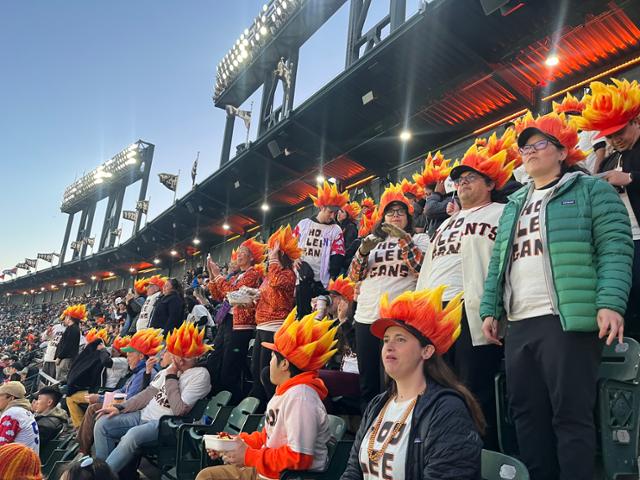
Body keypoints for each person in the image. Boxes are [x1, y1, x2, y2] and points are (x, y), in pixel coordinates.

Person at [480, 110, 633, 480]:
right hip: (518, 322)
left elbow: (615, 245)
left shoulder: (591, 189)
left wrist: (610, 302)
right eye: (525, 147)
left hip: (565, 318)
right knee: (526, 416)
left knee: (570, 415)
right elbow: (500, 260)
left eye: (539, 144)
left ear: (563, 152)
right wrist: (490, 308)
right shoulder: (514, 204)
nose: (529, 152)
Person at [416, 139, 516, 449]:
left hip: (474, 308)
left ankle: (482, 454)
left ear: (490, 183)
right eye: (458, 180)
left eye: (469, 178)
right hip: (437, 313)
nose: (461, 184)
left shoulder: (503, 211)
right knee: (438, 386)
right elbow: (427, 268)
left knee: (475, 389)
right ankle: (445, 450)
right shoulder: (446, 223)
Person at [341, 287, 483, 480]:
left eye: (400, 339)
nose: (389, 346)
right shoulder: (377, 405)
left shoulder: (447, 410)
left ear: (427, 351)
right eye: (386, 340)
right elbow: (353, 471)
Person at [196, 310, 335, 480]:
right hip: (265, 470)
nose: (269, 363)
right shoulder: (286, 392)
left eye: (271, 357)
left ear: (284, 364)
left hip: (282, 476)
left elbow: (299, 458)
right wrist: (230, 442)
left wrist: (248, 456)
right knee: (207, 476)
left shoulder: (301, 398)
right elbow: (267, 437)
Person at [348, 183, 429, 411]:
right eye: (391, 212)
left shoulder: (420, 239)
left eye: (400, 212)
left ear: (408, 217)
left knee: (395, 380)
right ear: (382, 217)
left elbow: (420, 268)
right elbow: (354, 275)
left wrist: (404, 240)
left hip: (398, 320)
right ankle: (368, 431)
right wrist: (363, 252)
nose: (395, 216)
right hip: (366, 317)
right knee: (368, 382)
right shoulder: (373, 242)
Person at [94, 322, 211, 474]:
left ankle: (101, 477)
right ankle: (100, 471)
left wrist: (171, 376)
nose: (163, 354)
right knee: (103, 423)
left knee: (132, 435)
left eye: (169, 351)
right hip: (142, 416)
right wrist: (120, 407)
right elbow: (147, 394)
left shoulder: (200, 374)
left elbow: (178, 410)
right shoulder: (169, 370)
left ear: (180, 357)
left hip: (166, 425)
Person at [577, 78, 640, 336]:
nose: (616, 140)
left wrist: (631, 178)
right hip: (620, 243)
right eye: (611, 136)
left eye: (620, 132)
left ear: (636, 122)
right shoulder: (608, 161)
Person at [77, 330, 161, 455]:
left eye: (130, 354)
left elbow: (130, 398)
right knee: (93, 407)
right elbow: (122, 390)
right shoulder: (138, 372)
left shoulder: (146, 372)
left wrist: (100, 399)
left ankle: (83, 450)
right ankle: (83, 446)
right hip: (124, 406)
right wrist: (101, 397)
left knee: (94, 408)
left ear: (141, 356)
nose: (127, 358)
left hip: (131, 410)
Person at [207, 238, 265, 402]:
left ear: (252, 257)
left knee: (230, 367)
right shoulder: (235, 276)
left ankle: (231, 402)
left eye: (243, 253)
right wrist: (212, 275)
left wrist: (218, 276)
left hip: (241, 326)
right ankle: (217, 397)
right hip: (226, 321)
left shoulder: (253, 274)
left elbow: (233, 293)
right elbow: (219, 295)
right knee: (215, 359)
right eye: (238, 253)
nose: (238, 256)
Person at [249, 225, 299, 404]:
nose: (270, 254)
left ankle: (272, 407)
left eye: (273, 251)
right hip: (261, 326)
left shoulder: (288, 274)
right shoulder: (270, 275)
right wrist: (255, 298)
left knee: (268, 374)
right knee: (256, 371)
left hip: (276, 328)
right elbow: (268, 294)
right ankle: (258, 407)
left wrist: (273, 260)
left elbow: (278, 283)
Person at [293, 181, 347, 316]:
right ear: (321, 207)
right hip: (301, 277)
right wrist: (294, 259)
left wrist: (333, 277)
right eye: (330, 212)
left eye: (335, 213)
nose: (332, 216)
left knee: (319, 317)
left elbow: (338, 254)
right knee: (301, 316)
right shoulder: (304, 224)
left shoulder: (336, 229)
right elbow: (290, 246)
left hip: (322, 282)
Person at [65, 329, 113, 428]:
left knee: (70, 399)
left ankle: (80, 428)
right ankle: (80, 427)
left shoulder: (115, 360)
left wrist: (103, 350)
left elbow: (106, 362)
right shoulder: (104, 357)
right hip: (101, 391)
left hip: (103, 393)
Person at [552, 92, 607, 174]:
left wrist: (596, 175)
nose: (565, 120)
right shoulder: (567, 141)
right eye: (563, 117)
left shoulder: (590, 130)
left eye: (567, 116)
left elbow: (601, 151)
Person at [0, 381, 40, 453]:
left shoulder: (12, 414)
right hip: (28, 459)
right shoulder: (22, 411)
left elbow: (2, 446)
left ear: (11, 398)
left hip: (19, 461)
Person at [54, 304, 85, 380]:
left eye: (66, 317)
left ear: (69, 317)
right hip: (65, 358)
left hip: (66, 359)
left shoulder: (73, 329)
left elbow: (67, 346)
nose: (64, 319)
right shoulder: (72, 328)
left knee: (60, 378)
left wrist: (60, 357)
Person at [337, 201, 361, 272]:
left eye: (342, 211)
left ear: (348, 215)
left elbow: (349, 248)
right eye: (339, 210)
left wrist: (339, 258)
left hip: (343, 264)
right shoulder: (340, 226)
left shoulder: (350, 227)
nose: (339, 213)